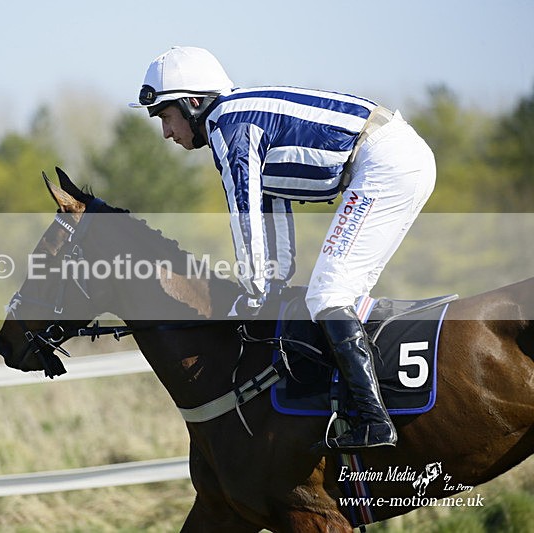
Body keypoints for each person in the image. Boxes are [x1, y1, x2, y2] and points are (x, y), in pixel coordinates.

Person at [130, 46, 436, 451]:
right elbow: (271, 208)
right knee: (337, 294)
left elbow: (245, 215)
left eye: (166, 117)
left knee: (328, 294)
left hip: (384, 163)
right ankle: (361, 403)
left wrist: (254, 292)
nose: (167, 132)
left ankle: (372, 419)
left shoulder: (228, 124)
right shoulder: (240, 118)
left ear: (191, 103)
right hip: (394, 158)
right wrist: (271, 283)